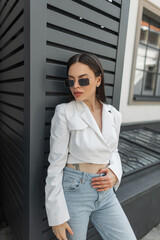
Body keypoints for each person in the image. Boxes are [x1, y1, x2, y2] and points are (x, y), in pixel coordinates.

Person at [45, 53, 137, 240]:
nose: (76, 86)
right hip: (75, 189)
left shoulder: (113, 114)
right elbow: (55, 164)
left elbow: (113, 150)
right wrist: (56, 216)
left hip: (105, 192)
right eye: (71, 81)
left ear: (98, 80)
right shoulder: (65, 112)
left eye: (83, 80)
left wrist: (114, 174)